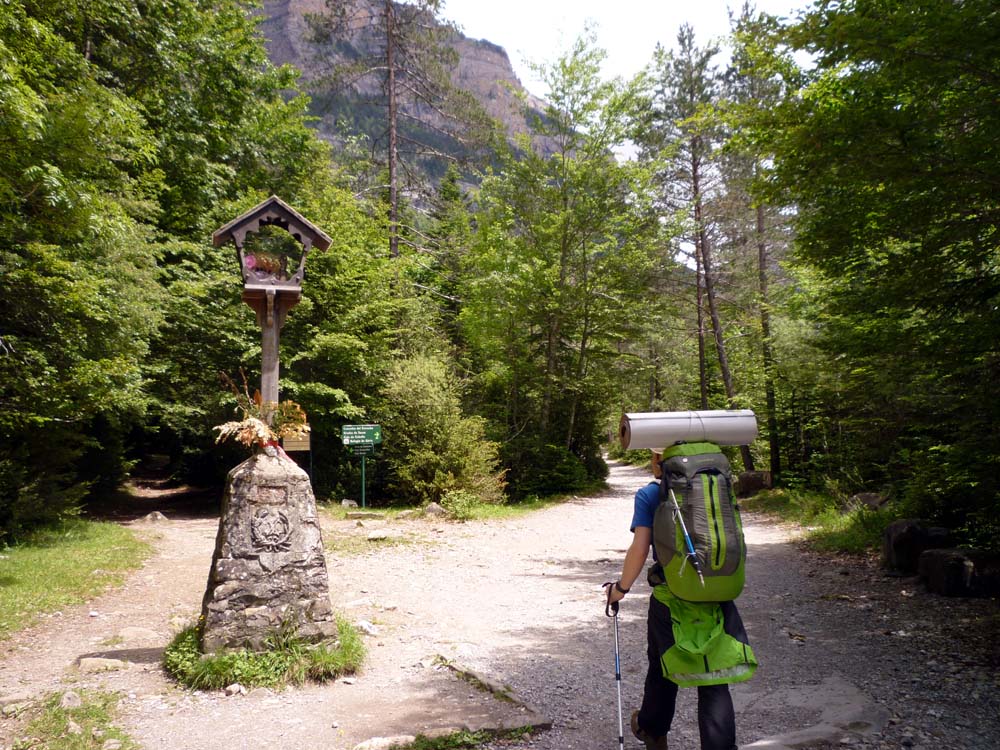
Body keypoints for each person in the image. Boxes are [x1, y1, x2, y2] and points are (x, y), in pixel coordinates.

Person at [604, 451, 752, 750]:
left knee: (662, 665)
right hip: (717, 592)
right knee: (713, 675)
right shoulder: (717, 487)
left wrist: (620, 588)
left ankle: (652, 731)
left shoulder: (650, 495)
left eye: (653, 457)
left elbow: (640, 547)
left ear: (661, 462)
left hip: (671, 596)